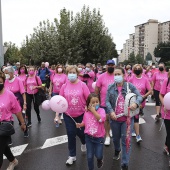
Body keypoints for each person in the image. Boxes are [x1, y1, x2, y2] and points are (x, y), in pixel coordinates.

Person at [106, 67, 142, 170]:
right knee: (116, 139)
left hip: (127, 120)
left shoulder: (130, 86)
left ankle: (125, 163)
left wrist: (136, 103)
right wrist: (111, 111)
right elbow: (107, 101)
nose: (116, 76)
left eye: (119, 74)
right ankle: (117, 150)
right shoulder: (110, 87)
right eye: (115, 74)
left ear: (123, 75)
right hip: (114, 119)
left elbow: (139, 96)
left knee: (126, 141)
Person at [57, 65, 90, 165]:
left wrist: (88, 108)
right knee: (71, 134)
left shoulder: (82, 85)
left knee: (81, 133)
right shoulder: (64, 86)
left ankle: (84, 142)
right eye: (69, 73)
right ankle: (72, 156)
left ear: (77, 73)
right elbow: (59, 101)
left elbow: (89, 98)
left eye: (73, 72)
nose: (72, 74)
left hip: (81, 114)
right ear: (67, 75)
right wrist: (57, 115)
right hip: (68, 115)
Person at [0, 71, 26, 170]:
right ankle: (13, 161)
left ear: (3, 82)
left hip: (5, 125)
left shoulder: (9, 95)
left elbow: (17, 110)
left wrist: (22, 123)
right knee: (3, 146)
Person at [76, 93, 106, 170]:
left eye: (97, 101)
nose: (95, 104)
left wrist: (93, 111)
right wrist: (80, 124)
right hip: (88, 137)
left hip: (99, 138)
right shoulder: (86, 112)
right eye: (93, 102)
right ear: (88, 104)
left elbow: (100, 119)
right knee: (89, 156)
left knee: (98, 155)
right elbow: (85, 122)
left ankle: (100, 159)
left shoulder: (101, 110)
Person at [129, 64, 152, 143]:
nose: (137, 69)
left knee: (135, 116)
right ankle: (137, 135)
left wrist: (143, 97)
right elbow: (128, 88)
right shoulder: (131, 78)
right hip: (132, 101)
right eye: (136, 68)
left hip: (141, 101)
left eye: (139, 68)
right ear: (134, 70)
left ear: (142, 70)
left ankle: (134, 131)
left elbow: (150, 90)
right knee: (135, 117)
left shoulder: (145, 79)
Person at [4, 66, 28, 138]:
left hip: (17, 101)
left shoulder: (18, 80)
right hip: (8, 102)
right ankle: (8, 136)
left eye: (7, 73)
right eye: (5, 73)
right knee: (7, 119)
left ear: (11, 73)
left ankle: (25, 130)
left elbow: (23, 92)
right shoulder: (5, 81)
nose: (6, 75)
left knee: (20, 118)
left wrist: (24, 103)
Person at [95, 59, 115, 146]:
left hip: (115, 102)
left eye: (112, 65)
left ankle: (110, 130)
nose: (110, 66)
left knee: (112, 118)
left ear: (114, 66)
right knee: (106, 119)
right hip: (104, 102)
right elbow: (97, 88)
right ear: (106, 66)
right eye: (109, 65)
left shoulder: (117, 75)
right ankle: (107, 136)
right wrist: (97, 100)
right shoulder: (101, 76)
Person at [159, 71, 170, 166]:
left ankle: (167, 145)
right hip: (167, 113)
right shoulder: (167, 80)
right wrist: (164, 104)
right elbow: (160, 95)